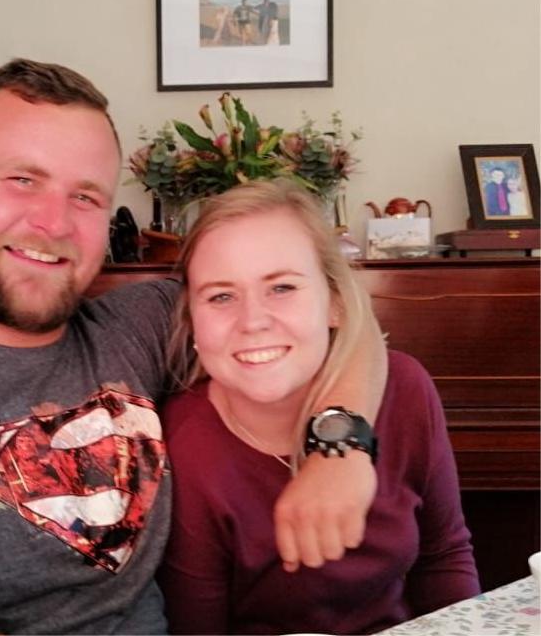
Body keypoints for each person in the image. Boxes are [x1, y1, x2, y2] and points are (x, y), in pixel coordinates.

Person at [0, 59, 385, 634]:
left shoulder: (137, 326)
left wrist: (340, 444)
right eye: (22, 179)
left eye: (85, 196)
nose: (53, 223)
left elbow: (341, 324)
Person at [158, 179, 479, 635]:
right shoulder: (185, 439)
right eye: (221, 296)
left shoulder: (406, 389)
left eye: (282, 287)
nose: (252, 321)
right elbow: (197, 627)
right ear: (193, 322)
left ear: (335, 304)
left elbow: (443, 557)